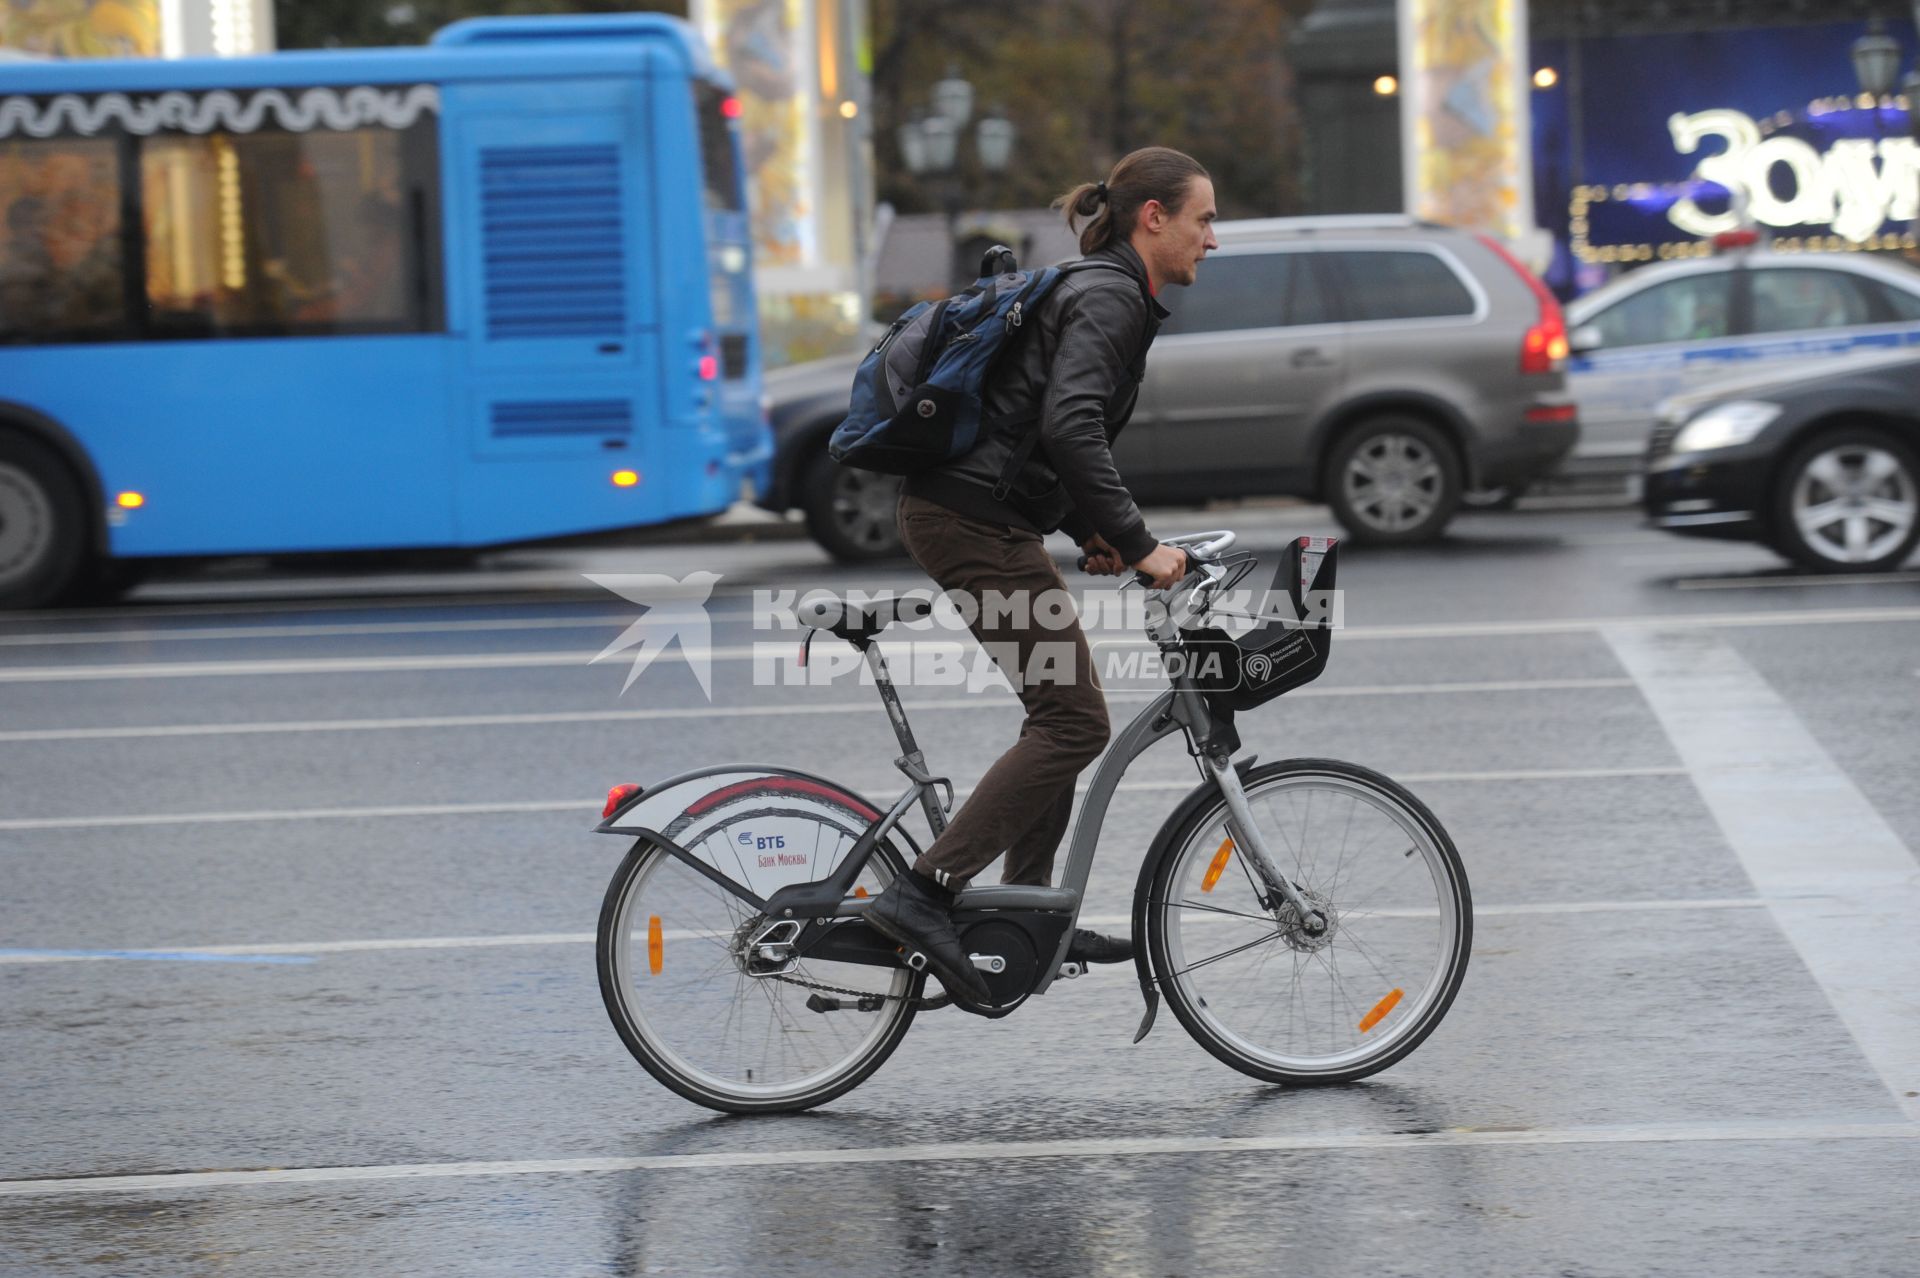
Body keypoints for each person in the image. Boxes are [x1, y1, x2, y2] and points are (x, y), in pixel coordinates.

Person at [862, 146, 1219, 1003]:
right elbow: (1070, 426)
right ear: (1153, 217)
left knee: (1061, 715)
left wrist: (1088, 527)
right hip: (968, 521)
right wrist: (1137, 545)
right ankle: (922, 893)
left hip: (984, 513)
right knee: (1072, 723)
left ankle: (1024, 913)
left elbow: (1022, 431)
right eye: (1204, 219)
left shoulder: (1097, 288)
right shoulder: (1110, 297)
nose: (1215, 238)